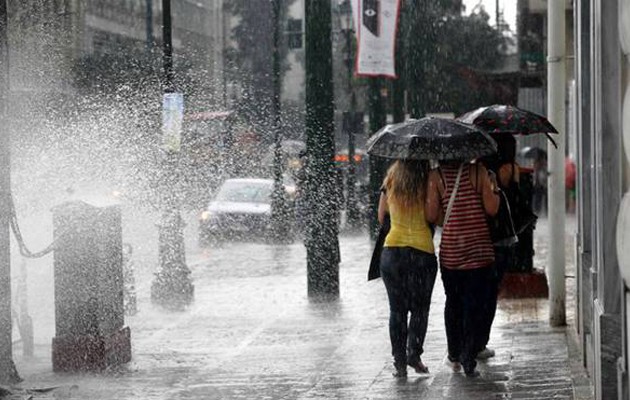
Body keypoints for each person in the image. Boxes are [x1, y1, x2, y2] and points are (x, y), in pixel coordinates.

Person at [425, 160, 500, 377]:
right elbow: (492, 208)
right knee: (474, 304)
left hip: (451, 253)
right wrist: (493, 188)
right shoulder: (478, 171)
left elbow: (431, 215)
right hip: (479, 250)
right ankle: (469, 356)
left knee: (453, 302)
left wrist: (450, 217)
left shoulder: (435, 176)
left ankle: (454, 353)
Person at [377, 159, 438, 378]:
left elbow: (381, 215)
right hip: (421, 252)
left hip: (392, 252)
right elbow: (432, 216)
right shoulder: (429, 179)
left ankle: (399, 362)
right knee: (420, 309)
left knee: (397, 310)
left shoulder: (391, 178)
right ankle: (414, 353)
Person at [477, 135, 520, 360]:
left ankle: (472, 339)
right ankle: (481, 340)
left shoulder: (481, 170)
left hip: (482, 236)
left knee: (478, 291)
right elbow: (515, 200)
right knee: (491, 293)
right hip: (503, 237)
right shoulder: (510, 169)